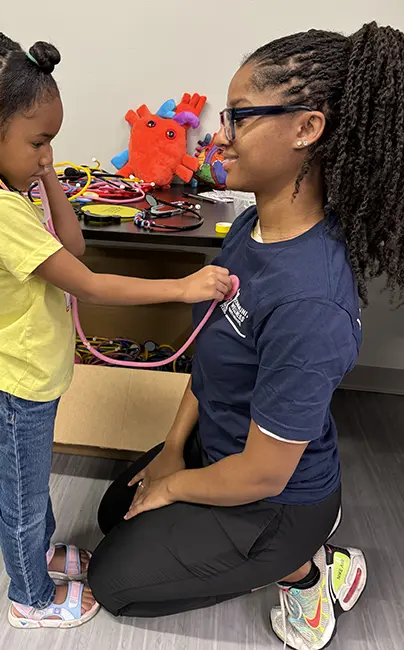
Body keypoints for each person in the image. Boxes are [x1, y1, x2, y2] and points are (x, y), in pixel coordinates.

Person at [87, 22, 404, 650]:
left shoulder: (310, 300)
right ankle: (287, 550)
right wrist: (174, 449)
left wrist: (173, 486)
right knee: (110, 514)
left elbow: (261, 474)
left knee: (114, 582)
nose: (219, 137)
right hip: (222, 450)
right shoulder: (250, 227)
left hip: (274, 496)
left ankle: (309, 570)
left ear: (306, 128)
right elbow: (212, 361)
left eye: (237, 118)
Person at [0, 31, 232, 630]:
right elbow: (89, 281)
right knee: (22, 498)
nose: (46, 154)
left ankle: (40, 556)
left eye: (52, 143)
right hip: (17, 384)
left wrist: (48, 176)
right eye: (39, 142)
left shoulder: (6, 193)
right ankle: (29, 598)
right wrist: (182, 287)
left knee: (31, 487)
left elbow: (75, 243)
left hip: (32, 374)